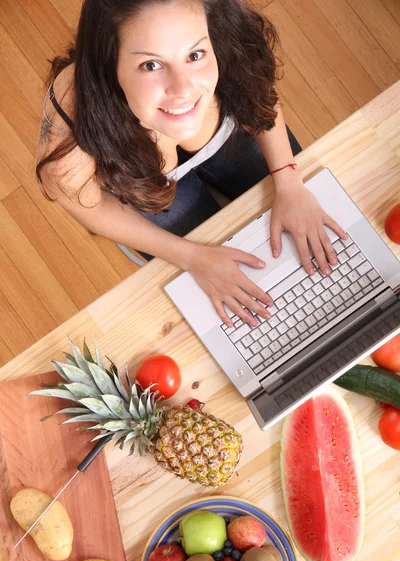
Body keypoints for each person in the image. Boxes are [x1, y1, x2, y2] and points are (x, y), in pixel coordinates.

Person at [36, 0, 347, 329]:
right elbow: (89, 208)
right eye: (151, 65)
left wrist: (288, 181)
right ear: (108, 63)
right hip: (141, 179)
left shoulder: (219, 27)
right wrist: (192, 257)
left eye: (195, 55)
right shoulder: (70, 136)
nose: (183, 90)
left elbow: (258, 90)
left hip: (225, 133)